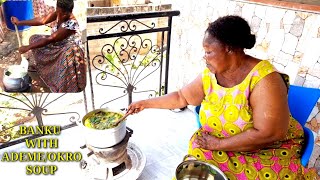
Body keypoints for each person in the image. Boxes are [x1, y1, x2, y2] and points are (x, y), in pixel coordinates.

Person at [127, 15, 319, 179]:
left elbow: (268, 133)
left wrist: (219, 144)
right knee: (194, 170)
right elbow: (180, 97)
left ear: (230, 49)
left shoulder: (265, 79)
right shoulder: (210, 74)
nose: (205, 57)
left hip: (266, 149)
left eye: (209, 52)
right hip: (222, 143)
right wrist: (144, 103)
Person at [11, 0, 86, 92]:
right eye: (58, 11)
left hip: (68, 49)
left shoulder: (71, 24)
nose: (60, 15)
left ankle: (61, 83)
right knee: (34, 39)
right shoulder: (59, 13)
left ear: (68, 11)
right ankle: (43, 68)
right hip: (56, 43)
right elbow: (42, 20)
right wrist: (19, 23)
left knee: (65, 58)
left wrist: (28, 47)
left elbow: (50, 39)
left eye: (63, 13)